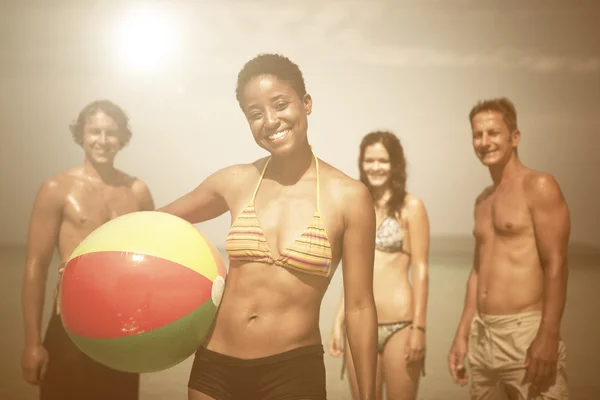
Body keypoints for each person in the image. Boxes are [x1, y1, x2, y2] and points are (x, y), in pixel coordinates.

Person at [158, 53, 378, 400]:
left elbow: (361, 306)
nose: (271, 121)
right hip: (214, 367)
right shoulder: (235, 181)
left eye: (280, 104)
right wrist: (86, 261)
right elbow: (155, 223)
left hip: (292, 371)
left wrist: (368, 396)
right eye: (255, 114)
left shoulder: (350, 197)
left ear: (306, 104)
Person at [20, 100, 155, 400]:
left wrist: (150, 334)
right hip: (70, 325)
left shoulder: (137, 192)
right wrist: (32, 343)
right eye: (95, 132)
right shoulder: (57, 189)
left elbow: (152, 267)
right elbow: (35, 268)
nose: (103, 141)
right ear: (81, 135)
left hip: (121, 331)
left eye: (111, 133)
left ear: (122, 138)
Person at [447, 97, 570, 399]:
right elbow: (477, 272)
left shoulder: (539, 186)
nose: (484, 142)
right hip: (483, 335)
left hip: (525, 333)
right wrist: (462, 334)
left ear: (514, 137)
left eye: (493, 133)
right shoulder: (483, 201)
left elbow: (556, 264)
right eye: (478, 134)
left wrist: (548, 335)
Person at [328, 131, 430, 400]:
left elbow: (420, 270)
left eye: (383, 161)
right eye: (369, 160)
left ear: (395, 164)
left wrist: (419, 328)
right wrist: (338, 321)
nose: (375, 167)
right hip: (359, 325)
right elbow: (353, 274)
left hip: (401, 324)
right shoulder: (356, 208)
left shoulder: (412, 207)